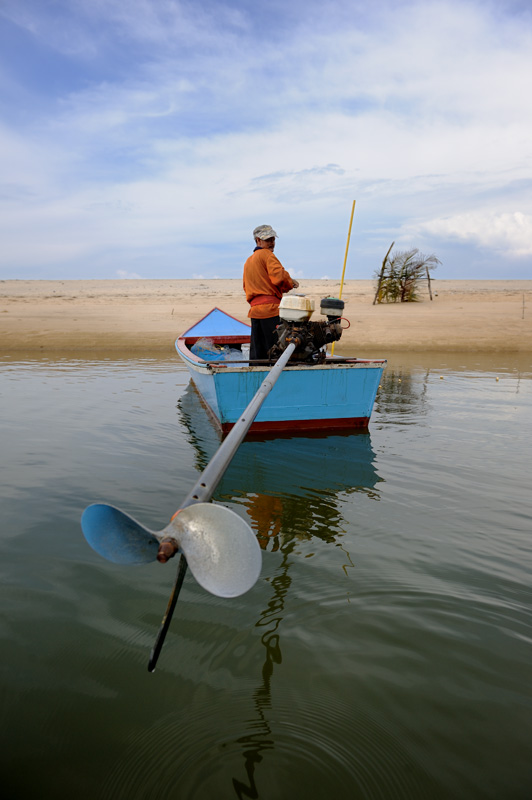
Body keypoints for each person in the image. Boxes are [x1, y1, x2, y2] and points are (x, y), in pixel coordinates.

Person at [243, 224, 299, 359]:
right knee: (276, 352)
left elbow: (246, 286)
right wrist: (290, 282)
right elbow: (279, 277)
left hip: (255, 313)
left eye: (273, 239)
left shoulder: (248, 261)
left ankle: (255, 378)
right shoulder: (267, 255)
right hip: (271, 310)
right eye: (268, 240)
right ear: (258, 240)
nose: (271, 243)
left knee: (258, 354)